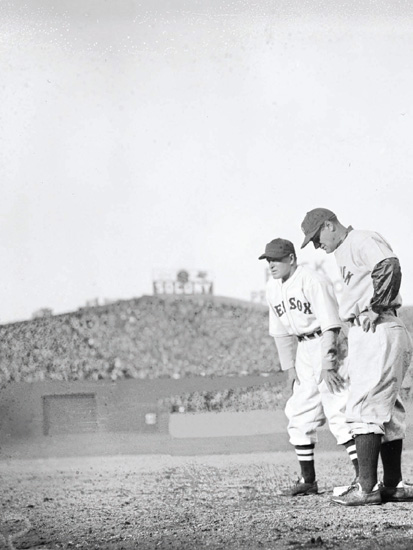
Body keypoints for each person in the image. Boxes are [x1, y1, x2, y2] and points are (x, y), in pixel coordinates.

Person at [300, 208, 413, 506]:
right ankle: (393, 484)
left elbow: (388, 264)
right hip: (377, 328)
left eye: (316, 237)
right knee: (385, 408)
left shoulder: (360, 239)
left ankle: (366, 487)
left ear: (329, 225)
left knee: (364, 407)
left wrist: (377, 305)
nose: (316, 245)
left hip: (378, 325)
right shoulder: (344, 250)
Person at [258, 238, 359, 496]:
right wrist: (289, 367)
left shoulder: (312, 280)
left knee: (339, 408)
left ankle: (364, 478)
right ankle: (308, 480)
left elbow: (331, 325)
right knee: (299, 411)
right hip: (303, 350)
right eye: (268, 260)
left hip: (329, 343)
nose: (271, 264)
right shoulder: (272, 288)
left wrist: (328, 362)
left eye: (277, 259)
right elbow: (279, 332)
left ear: (291, 258)